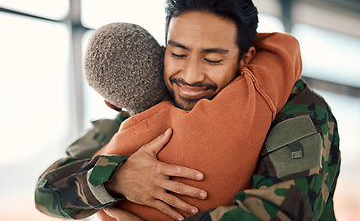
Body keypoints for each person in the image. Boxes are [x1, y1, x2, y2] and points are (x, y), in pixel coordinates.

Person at [35, 0, 340, 221]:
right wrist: (116, 180)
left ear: (244, 58)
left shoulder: (296, 109)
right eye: (178, 54)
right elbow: (46, 192)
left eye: (213, 59)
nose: (191, 76)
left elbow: (283, 213)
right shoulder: (150, 108)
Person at [82, 20, 301, 221]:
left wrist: (113, 180)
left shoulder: (103, 176)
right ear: (164, 55)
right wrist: (223, 38)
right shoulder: (235, 110)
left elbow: (60, 185)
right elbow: (284, 47)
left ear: (111, 104)